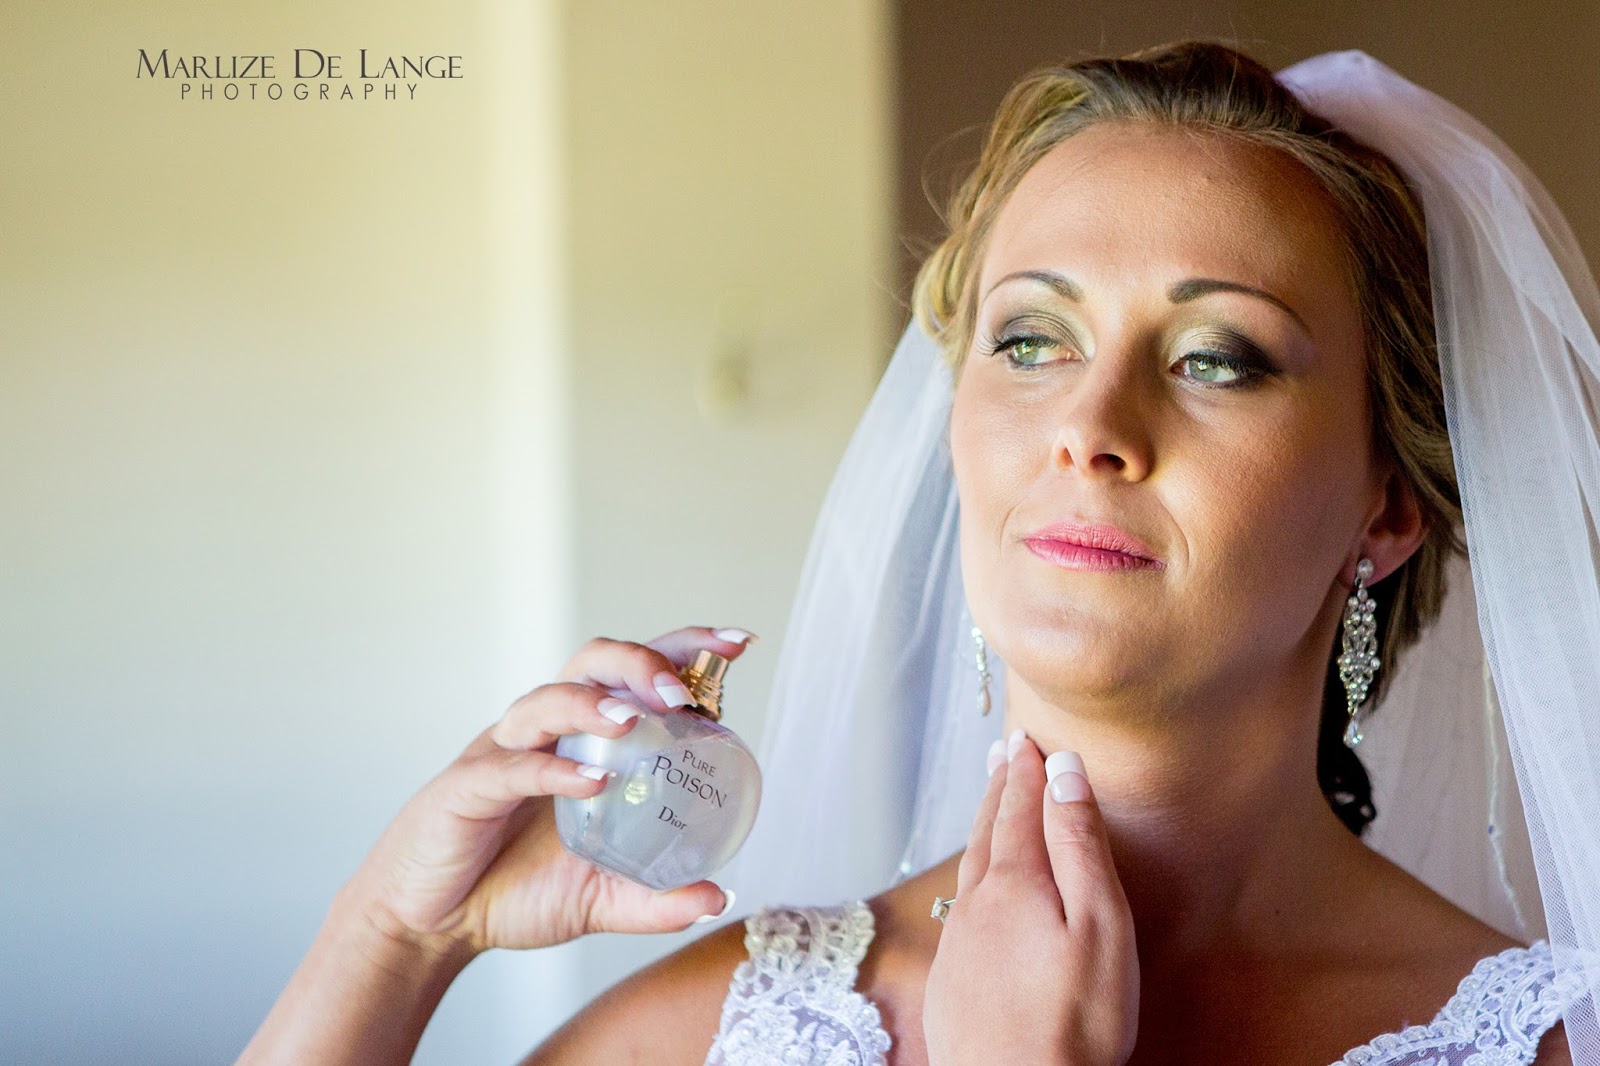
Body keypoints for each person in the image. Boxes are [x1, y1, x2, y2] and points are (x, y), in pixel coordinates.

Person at [239, 41, 1600, 1066]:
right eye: (1032, 340)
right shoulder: (727, 1030)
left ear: (1386, 506)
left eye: (1214, 357)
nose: (1088, 427)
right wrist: (397, 937)